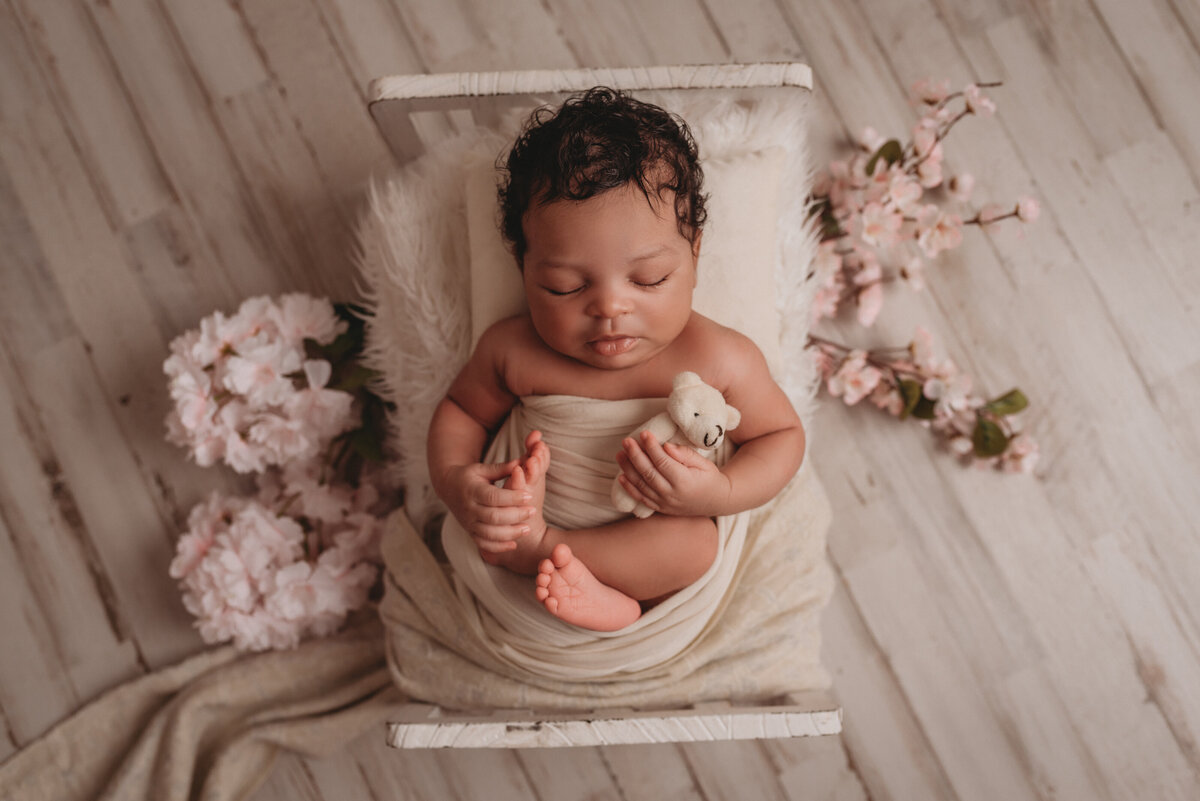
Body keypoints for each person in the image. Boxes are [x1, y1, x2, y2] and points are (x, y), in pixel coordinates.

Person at [427, 87, 805, 632]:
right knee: (504, 526)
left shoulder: (720, 355)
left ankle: (576, 574)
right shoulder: (512, 349)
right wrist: (457, 483)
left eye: (649, 279)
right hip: (522, 543)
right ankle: (576, 579)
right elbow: (460, 413)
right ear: (522, 264)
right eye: (563, 287)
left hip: (639, 548)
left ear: (694, 251)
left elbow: (783, 437)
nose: (608, 308)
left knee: (693, 543)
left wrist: (720, 492)